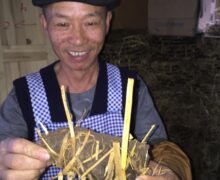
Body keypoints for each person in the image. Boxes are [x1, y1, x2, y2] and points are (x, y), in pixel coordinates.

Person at [0, 0, 191, 179]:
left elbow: (161, 149)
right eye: (62, 24)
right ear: (45, 24)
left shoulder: (129, 87)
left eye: (90, 23)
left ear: (107, 22)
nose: (78, 39)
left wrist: (168, 171)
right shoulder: (24, 96)